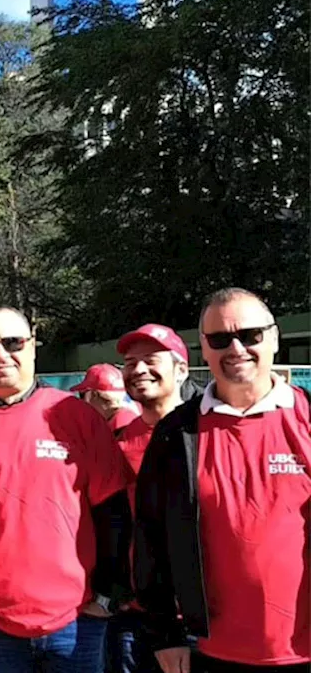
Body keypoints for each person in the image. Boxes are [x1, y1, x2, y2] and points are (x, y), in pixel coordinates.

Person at [0, 304, 132, 673]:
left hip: (77, 620)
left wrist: (107, 596)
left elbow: (114, 513)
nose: (1, 355)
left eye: (13, 342)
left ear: (33, 346)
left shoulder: (77, 417)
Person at [135, 288, 310, 673]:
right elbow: (151, 541)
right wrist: (165, 634)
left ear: (275, 338)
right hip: (212, 651)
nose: (236, 348)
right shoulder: (175, 434)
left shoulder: (306, 418)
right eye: (220, 339)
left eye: (250, 335)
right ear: (204, 348)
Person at [106, 323, 190, 673]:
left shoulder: (205, 434)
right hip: (133, 615)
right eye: (129, 362)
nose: (138, 369)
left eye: (151, 360)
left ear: (182, 369)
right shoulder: (116, 442)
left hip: (200, 618)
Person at [72, 363, 141, 431]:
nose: (82, 402)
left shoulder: (120, 425)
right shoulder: (133, 410)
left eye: (82, 395)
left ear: (93, 394)